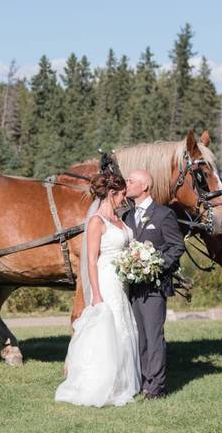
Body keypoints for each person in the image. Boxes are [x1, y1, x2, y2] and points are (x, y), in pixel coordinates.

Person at [55, 172, 141, 407]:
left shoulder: (119, 219)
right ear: (112, 194)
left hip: (122, 281)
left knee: (123, 327)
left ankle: (122, 382)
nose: (125, 199)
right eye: (122, 194)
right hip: (106, 281)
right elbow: (91, 260)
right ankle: (104, 383)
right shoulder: (96, 222)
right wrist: (96, 293)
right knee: (108, 329)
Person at [123, 169, 186, 400]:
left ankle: (156, 387)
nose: (126, 184)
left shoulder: (163, 214)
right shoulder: (128, 217)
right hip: (133, 287)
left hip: (155, 287)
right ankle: (143, 380)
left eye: (131, 181)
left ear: (145, 186)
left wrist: (157, 265)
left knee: (153, 335)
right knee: (139, 336)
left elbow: (177, 246)